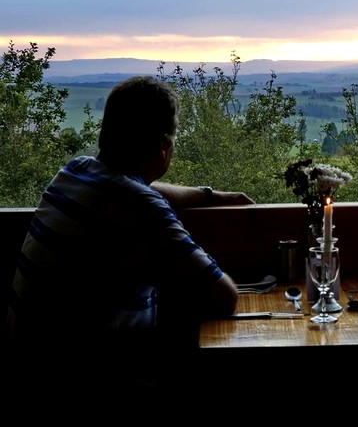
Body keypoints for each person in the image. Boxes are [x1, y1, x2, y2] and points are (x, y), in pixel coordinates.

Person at [6, 75, 254, 407]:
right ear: (164, 146)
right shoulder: (141, 207)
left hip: (27, 366)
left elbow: (144, 189)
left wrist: (214, 196)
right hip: (85, 385)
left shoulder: (75, 172)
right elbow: (225, 297)